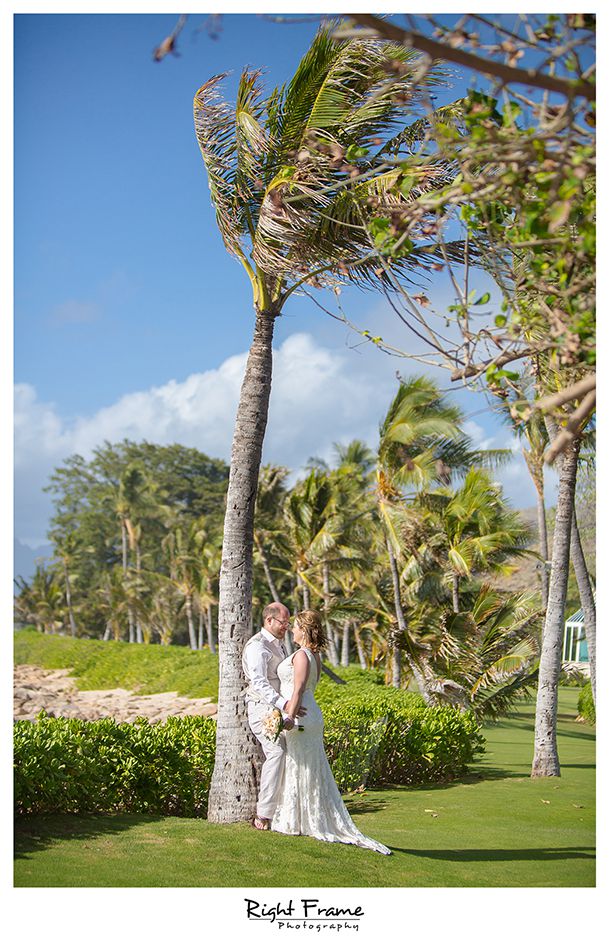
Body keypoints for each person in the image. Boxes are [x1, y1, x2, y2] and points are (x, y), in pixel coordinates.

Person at [271, 609, 391, 855]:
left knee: (303, 766)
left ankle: (300, 821)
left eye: (295, 626)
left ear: (303, 630)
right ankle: (301, 819)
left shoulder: (303, 656)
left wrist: (289, 717)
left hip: (302, 716)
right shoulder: (312, 655)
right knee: (306, 766)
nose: (291, 630)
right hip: (308, 713)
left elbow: (298, 689)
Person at [242, 601, 306, 831]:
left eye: (288, 623)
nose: (286, 627)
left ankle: (287, 808)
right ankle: (264, 813)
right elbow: (259, 682)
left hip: (281, 709)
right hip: (262, 709)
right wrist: (285, 704)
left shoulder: (279, 645)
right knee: (277, 752)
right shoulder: (257, 646)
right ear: (269, 620)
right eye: (283, 622)